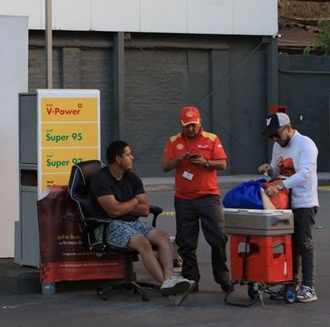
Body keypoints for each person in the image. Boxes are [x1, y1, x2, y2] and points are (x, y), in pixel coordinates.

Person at [90, 140, 195, 302]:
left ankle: (170, 281)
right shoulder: (101, 179)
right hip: (107, 225)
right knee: (143, 242)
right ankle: (167, 287)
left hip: (132, 223)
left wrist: (123, 205)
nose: (132, 157)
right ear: (118, 159)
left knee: (163, 237)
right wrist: (133, 202)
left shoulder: (132, 178)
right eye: (128, 154)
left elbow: (145, 209)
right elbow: (113, 211)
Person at [162, 106, 231, 293]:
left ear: (199, 122)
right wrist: (180, 159)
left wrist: (205, 163)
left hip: (209, 197)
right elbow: (165, 166)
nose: (191, 129)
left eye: (193, 125)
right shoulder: (173, 141)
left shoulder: (212, 139)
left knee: (217, 237)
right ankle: (191, 278)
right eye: (187, 126)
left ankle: (222, 276)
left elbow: (223, 163)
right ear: (181, 125)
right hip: (184, 199)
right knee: (186, 242)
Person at [259, 112, 319, 303]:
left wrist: (279, 185)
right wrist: (269, 170)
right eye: (270, 136)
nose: (274, 139)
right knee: (288, 244)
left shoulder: (306, 144)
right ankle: (290, 284)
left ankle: (309, 287)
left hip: (304, 202)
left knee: (304, 244)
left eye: (276, 134)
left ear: (287, 128)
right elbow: (277, 171)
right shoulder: (278, 145)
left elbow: (305, 173)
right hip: (284, 202)